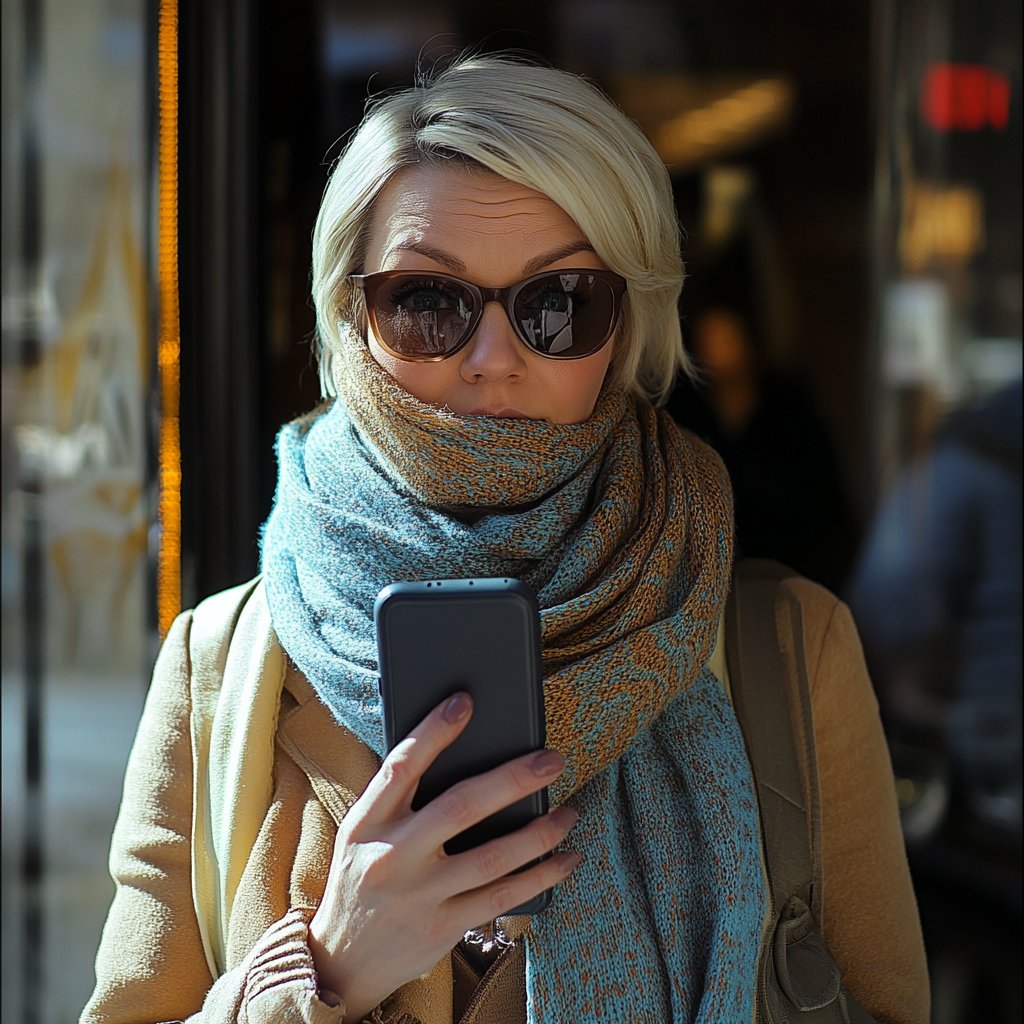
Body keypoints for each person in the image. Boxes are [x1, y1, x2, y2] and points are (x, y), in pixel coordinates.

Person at [82, 53, 929, 1024]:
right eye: (428, 301)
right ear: (351, 315)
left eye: (557, 304)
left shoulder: (788, 647)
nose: (492, 361)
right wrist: (332, 968)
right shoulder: (224, 662)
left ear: (629, 321)